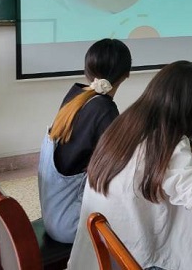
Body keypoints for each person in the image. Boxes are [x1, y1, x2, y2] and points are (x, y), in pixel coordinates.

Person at [67, 61, 192, 270]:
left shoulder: (126, 123)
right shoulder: (169, 140)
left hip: (101, 259)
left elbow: (142, 163)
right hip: (139, 261)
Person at [38, 38, 132, 244]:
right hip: (71, 222)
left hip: (54, 213)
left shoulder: (76, 96)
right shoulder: (104, 110)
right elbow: (125, 165)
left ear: (87, 69)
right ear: (127, 74)